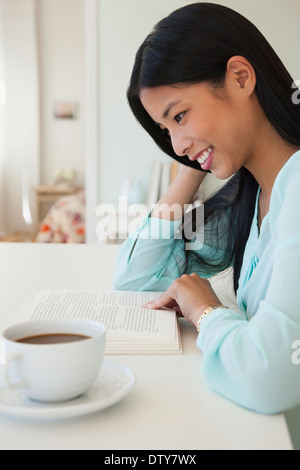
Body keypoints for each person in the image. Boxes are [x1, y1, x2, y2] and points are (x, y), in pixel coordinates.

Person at [113, 2, 300, 414]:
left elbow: (270, 376)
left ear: (240, 77)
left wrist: (205, 311)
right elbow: (134, 281)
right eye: (165, 130)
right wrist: (191, 168)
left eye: (180, 115)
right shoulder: (255, 196)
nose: (176, 145)